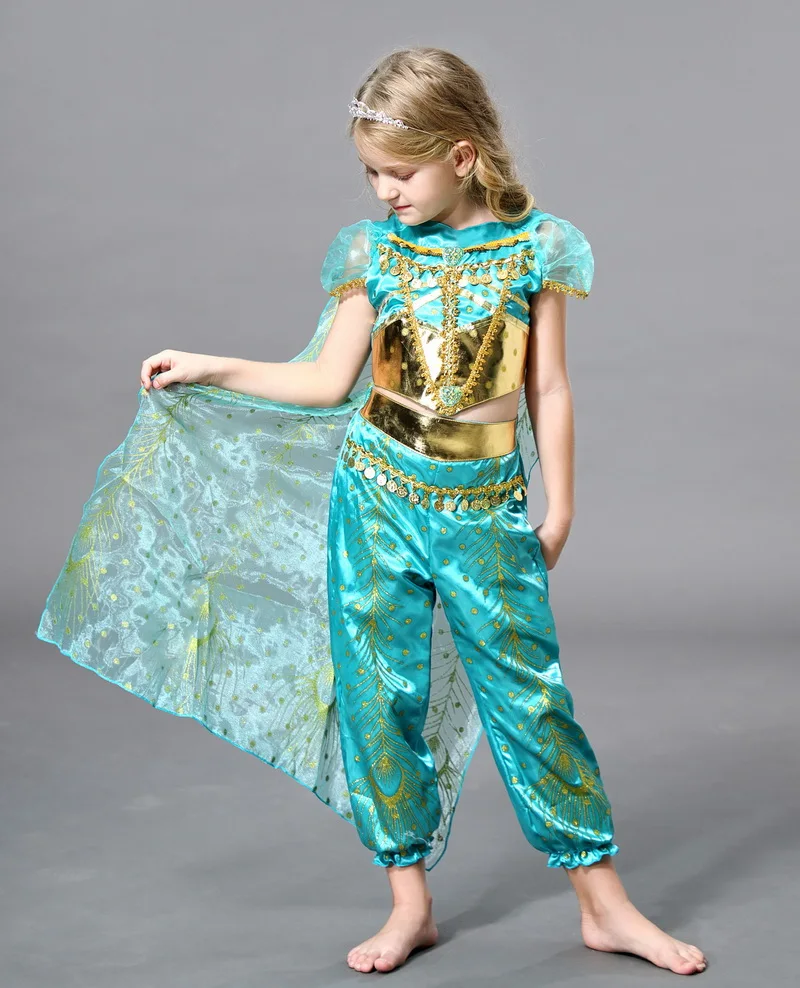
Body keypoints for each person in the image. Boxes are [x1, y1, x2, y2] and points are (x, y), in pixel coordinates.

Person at [36, 46, 707, 977]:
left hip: (484, 510)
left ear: (463, 155)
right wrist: (212, 366)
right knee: (377, 694)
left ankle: (606, 904)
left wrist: (561, 506)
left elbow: (548, 388)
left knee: (531, 699)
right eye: (371, 174)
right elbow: (324, 381)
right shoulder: (374, 252)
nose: (385, 191)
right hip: (376, 498)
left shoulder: (537, 248)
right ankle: (408, 903)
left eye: (401, 172)